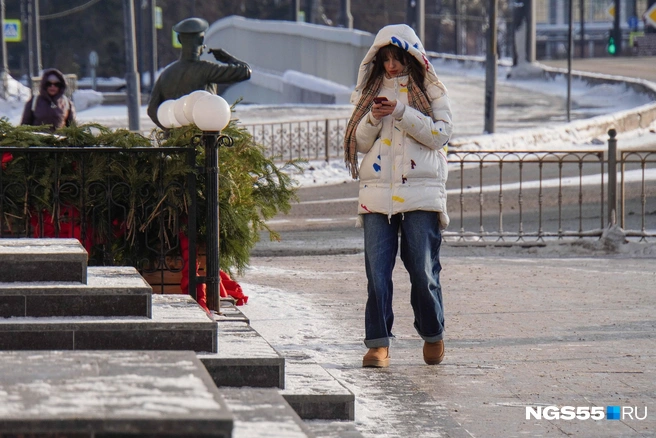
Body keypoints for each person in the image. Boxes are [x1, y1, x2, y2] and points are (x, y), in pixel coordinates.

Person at [344, 24, 453, 368]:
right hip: (377, 194)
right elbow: (359, 143)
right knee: (377, 272)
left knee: (422, 269)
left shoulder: (429, 88)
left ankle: (432, 331)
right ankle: (378, 343)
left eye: (398, 58)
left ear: (411, 56)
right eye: (386, 59)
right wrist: (374, 118)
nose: (391, 66)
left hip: (421, 192)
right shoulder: (368, 90)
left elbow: (441, 134)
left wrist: (402, 112)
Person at [147, 17, 251, 128]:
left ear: (179, 39)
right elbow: (245, 72)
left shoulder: (166, 74)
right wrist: (228, 59)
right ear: (201, 40)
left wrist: (172, 130)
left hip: (176, 142)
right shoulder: (205, 69)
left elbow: (152, 110)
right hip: (203, 139)